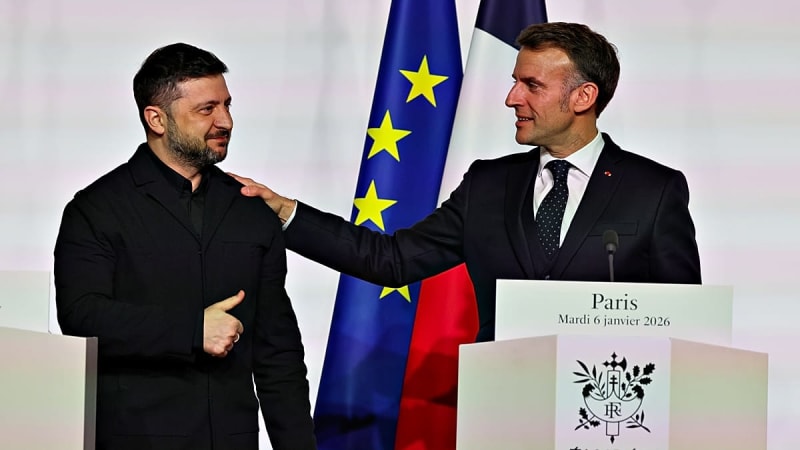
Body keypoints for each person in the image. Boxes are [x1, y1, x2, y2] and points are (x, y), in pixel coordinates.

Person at [232, 22, 701, 343]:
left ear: (583, 96)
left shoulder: (654, 191)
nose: (511, 98)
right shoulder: (488, 185)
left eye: (532, 85)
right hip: (501, 413)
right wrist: (287, 213)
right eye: (515, 81)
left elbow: (685, 326)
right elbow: (391, 260)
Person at [54, 43, 316, 450]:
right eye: (206, 109)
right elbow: (81, 315)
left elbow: (277, 353)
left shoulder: (251, 210)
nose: (225, 121)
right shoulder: (96, 208)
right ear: (156, 119)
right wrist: (192, 331)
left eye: (227, 105)